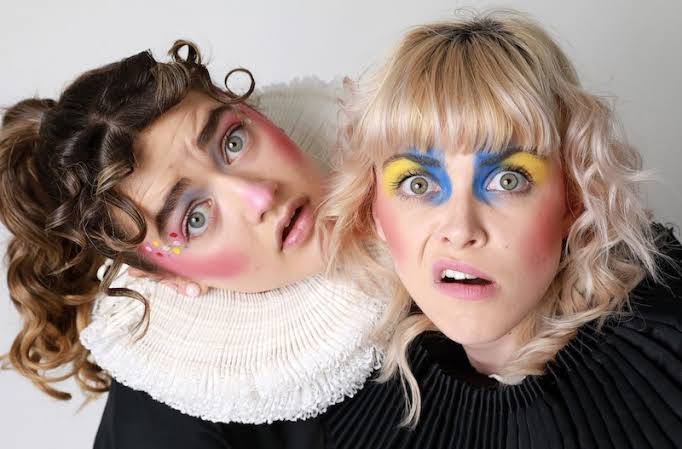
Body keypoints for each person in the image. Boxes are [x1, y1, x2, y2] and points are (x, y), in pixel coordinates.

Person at [322, 10, 682, 448]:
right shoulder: (346, 397)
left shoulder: (667, 355)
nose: (460, 229)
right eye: (418, 183)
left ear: (574, 197)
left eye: (507, 180)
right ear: (374, 212)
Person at [0, 41, 385, 448]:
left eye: (233, 143)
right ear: (166, 276)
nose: (259, 197)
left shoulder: (412, 160)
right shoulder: (169, 430)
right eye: (195, 219)